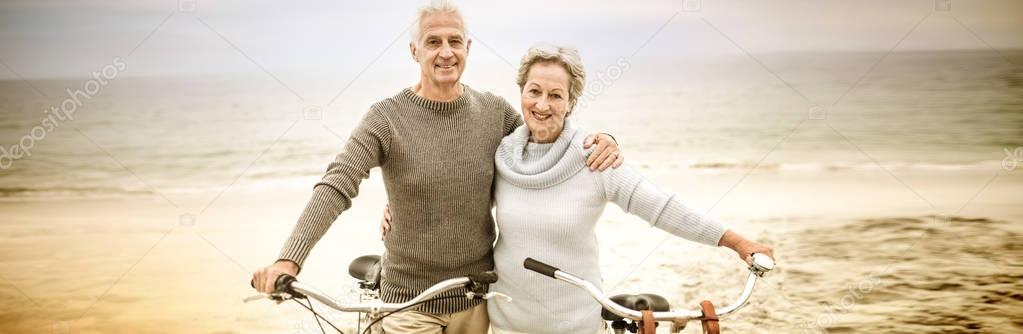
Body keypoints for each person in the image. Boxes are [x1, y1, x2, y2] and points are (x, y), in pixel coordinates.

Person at [250, 2, 624, 333]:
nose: (445, 52)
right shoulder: (385, 119)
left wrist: (601, 138)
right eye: (433, 42)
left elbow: (547, 135)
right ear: (414, 51)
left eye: (454, 41)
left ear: (468, 48)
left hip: (476, 300)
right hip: (408, 305)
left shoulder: (495, 114)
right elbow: (337, 184)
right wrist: (289, 260)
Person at [484, 44, 775, 334]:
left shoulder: (595, 157)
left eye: (556, 95)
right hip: (505, 325)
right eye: (534, 91)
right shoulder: (503, 155)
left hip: (575, 326)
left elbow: (662, 207)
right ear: (521, 91)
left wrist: (738, 243)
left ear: (571, 102)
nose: (543, 105)